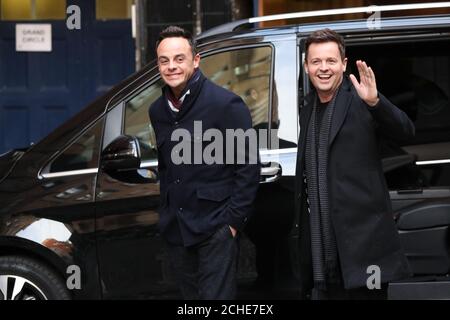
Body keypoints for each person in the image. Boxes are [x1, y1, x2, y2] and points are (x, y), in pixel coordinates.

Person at [295, 28, 415, 300]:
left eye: (331, 61)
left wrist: (376, 102)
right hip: (323, 249)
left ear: (344, 64)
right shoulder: (308, 109)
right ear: (306, 66)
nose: (323, 68)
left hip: (366, 251)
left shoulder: (361, 101)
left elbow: (406, 132)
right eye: (316, 62)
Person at [148, 26, 260, 300]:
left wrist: (231, 224)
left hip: (215, 230)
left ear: (195, 60)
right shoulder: (157, 110)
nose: (171, 66)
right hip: (177, 231)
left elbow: (248, 168)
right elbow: (167, 168)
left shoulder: (225, 105)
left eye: (179, 58)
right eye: (165, 60)